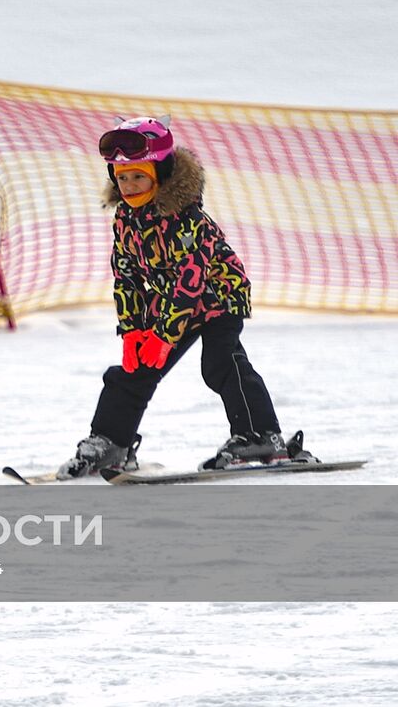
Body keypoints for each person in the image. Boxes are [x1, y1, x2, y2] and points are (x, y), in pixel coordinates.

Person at [57, 115, 306, 479]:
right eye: (121, 176)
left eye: (138, 176)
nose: (128, 185)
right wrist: (133, 332)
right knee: (133, 369)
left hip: (216, 296)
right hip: (169, 302)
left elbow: (191, 283)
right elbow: (126, 276)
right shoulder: (126, 218)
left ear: (162, 174)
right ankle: (111, 443)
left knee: (222, 362)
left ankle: (259, 436)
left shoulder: (186, 220)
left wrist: (163, 335)